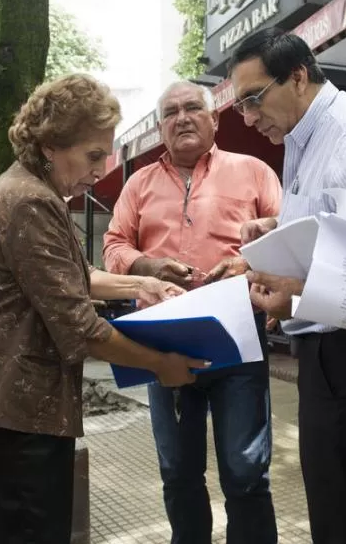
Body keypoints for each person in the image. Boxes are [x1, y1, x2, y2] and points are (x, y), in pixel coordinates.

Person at [0, 74, 208, 544]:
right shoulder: (31, 202)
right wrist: (162, 363)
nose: (101, 168)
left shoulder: (33, 188)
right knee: (28, 529)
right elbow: (83, 328)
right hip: (15, 405)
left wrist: (141, 283)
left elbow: (73, 274)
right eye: (92, 155)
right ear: (51, 145)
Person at [228, 28, 346, 544]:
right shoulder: (303, 132)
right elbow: (344, 227)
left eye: (252, 99)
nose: (247, 118)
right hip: (335, 346)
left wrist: (298, 293)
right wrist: (280, 228)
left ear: (297, 76)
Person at [103, 80, 281, 544]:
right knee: (178, 471)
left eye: (192, 108)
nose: (181, 118)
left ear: (214, 118)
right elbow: (113, 245)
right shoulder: (138, 184)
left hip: (237, 336)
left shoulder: (255, 171)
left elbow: (286, 243)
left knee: (245, 472)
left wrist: (248, 261)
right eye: (170, 112)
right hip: (162, 342)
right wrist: (146, 264)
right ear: (161, 126)